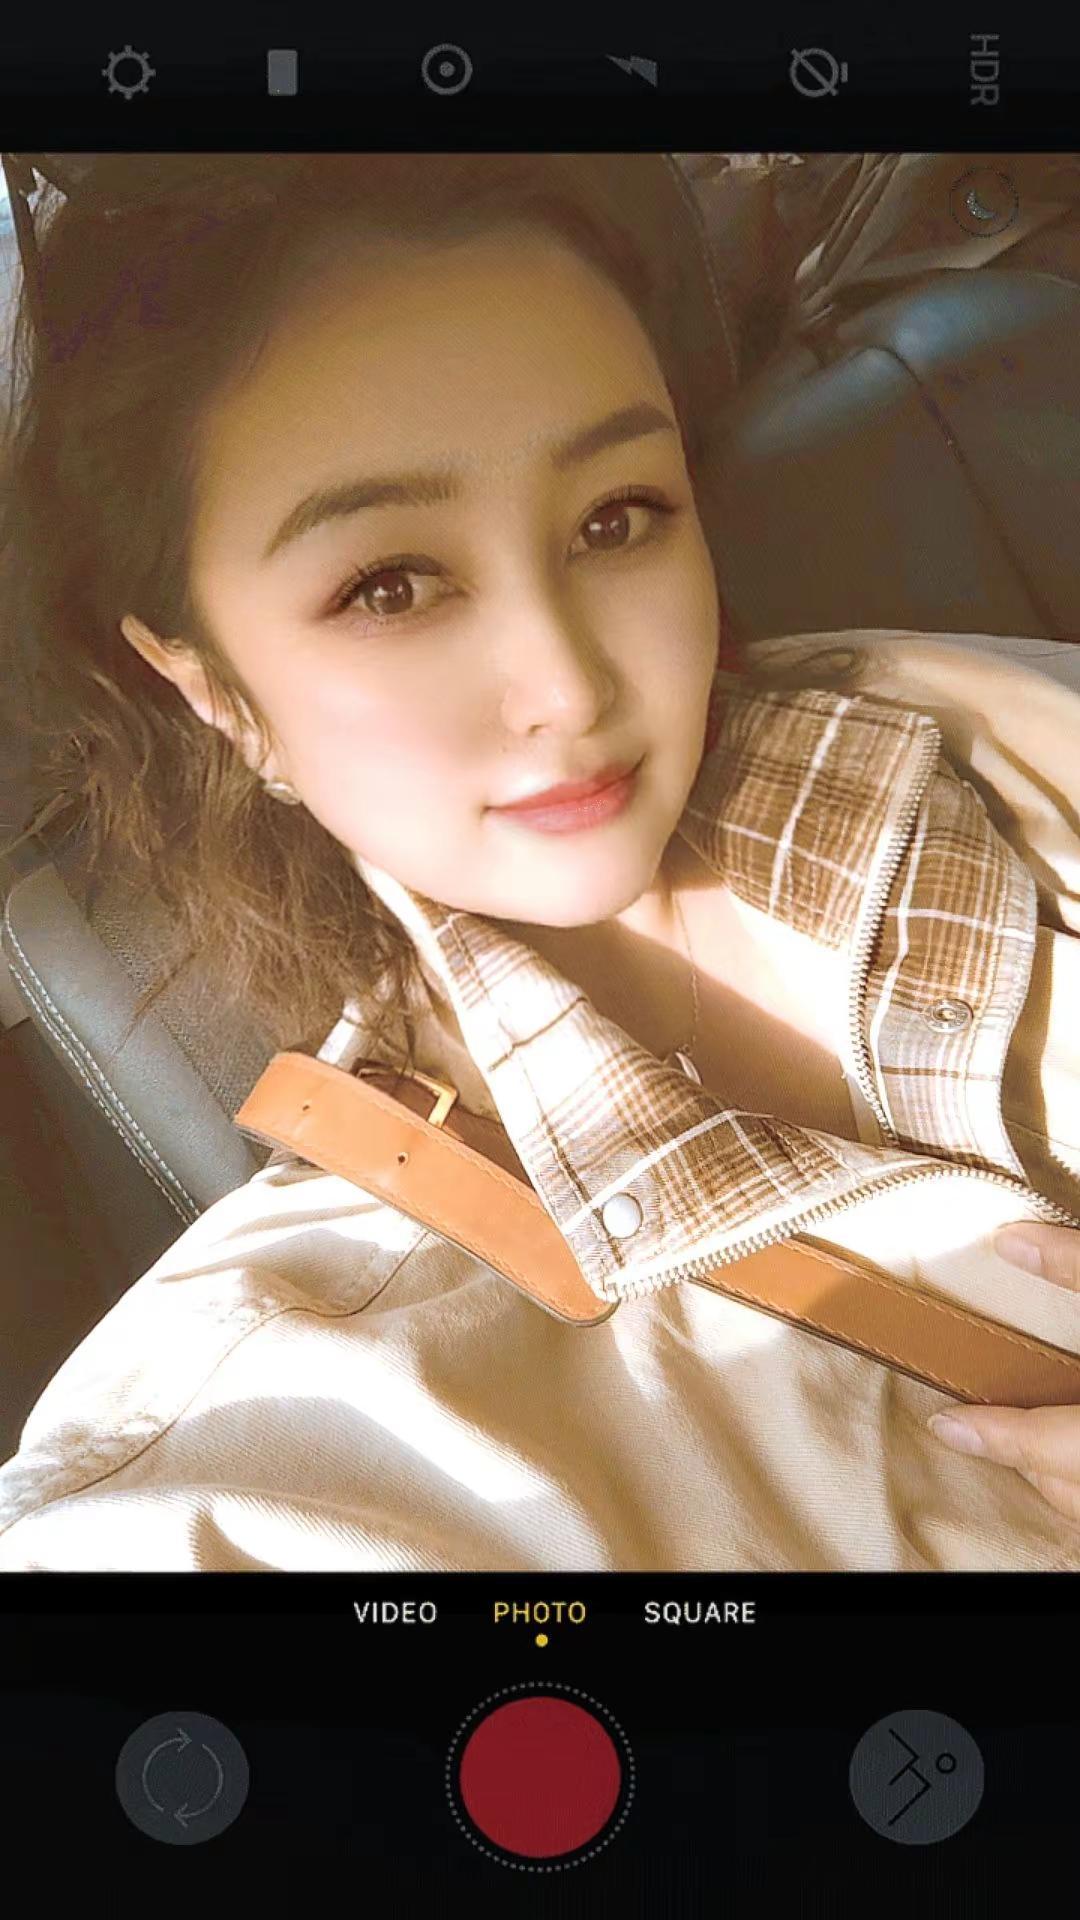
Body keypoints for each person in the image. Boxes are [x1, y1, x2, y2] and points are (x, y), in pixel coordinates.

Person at [0, 152, 1078, 1572]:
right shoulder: (275, 1421)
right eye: (390, 585)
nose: (568, 685)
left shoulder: (984, 739)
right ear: (212, 691)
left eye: (615, 519)